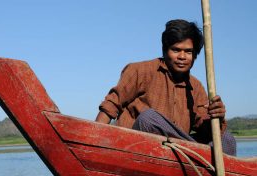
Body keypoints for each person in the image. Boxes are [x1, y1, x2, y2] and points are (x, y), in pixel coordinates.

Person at [95, 19, 236, 156]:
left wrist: (217, 116)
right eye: (176, 50)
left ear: (194, 56)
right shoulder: (140, 70)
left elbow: (205, 130)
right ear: (164, 51)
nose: (182, 56)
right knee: (148, 119)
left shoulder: (196, 87)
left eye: (188, 52)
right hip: (135, 148)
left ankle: (204, 166)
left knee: (227, 139)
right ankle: (196, 153)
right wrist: (93, 138)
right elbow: (111, 105)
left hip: (175, 155)